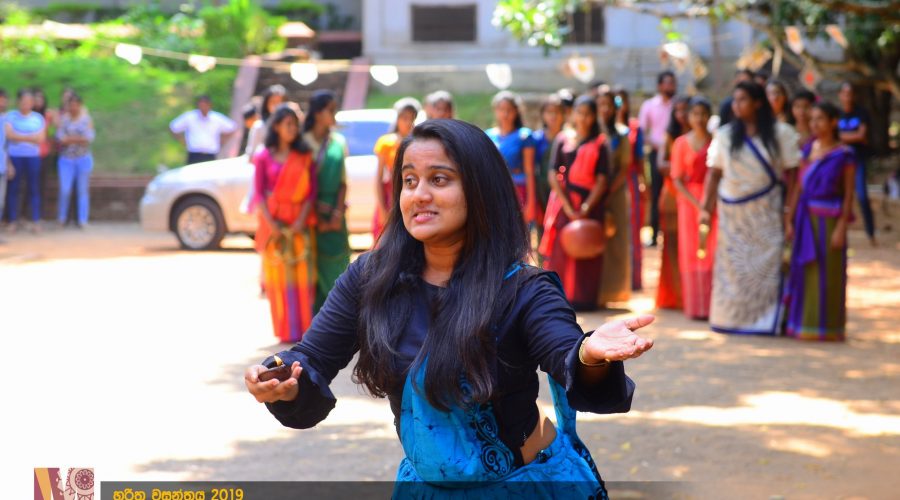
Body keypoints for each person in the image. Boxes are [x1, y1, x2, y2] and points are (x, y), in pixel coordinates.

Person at [244, 119, 655, 497]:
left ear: (479, 191)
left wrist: (589, 354)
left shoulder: (523, 289)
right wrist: (283, 378)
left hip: (524, 485)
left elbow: (565, 353)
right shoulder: (371, 278)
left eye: (439, 179)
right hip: (425, 488)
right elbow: (311, 357)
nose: (419, 194)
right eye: (409, 180)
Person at [701, 81, 800, 335]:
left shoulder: (781, 133)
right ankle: (730, 318)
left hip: (766, 212)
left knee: (764, 268)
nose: (736, 105)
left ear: (757, 103)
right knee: (732, 268)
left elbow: (793, 176)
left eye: (743, 99)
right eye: (735, 100)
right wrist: (705, 208)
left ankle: (764, 320)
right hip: (732, 213)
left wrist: (788, 212)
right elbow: (714, 173)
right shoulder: (725, 135)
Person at [783, 102, 855, 341]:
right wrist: (789, 219)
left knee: (829, 276)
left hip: (830, 222)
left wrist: (842, 227)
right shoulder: (808, 150)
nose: (814, 124)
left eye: (820, 119)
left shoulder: (844, 155)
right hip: (806, 220)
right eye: (812, 119)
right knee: (805, 272)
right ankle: (803, 324)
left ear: (833, 122)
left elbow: (848, 194)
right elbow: (798, 187)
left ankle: (829, 328)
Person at [251, 105, 317, 343]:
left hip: (300, 224)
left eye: (295, 124)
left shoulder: (304, 155)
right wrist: (272, 225)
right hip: (274, 226)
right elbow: (259, 193)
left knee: (302, 279)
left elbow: (311, 193)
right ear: (276, 126)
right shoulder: (263, 156)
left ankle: (305, 330)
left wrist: (300, 220)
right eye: (288, 124)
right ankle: (285, 331)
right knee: (278, 281)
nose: (292, 129)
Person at [539, 96, 610, 310]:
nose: (583, 118)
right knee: (561, 249)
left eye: (588, 114)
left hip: (591, 204)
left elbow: (602, 180)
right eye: (580, 113)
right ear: (573, 114)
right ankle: (559, 298)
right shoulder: (563, 139)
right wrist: (569, 207)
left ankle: (584, 299)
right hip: (565, 202)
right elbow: (553, 173)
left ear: (594, 117)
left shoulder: (600, 143)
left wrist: (586, 208)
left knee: (587, 248)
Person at [303, 90, 351, 312]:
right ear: (317, 112)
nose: (334, 114)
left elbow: (343, 182)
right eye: (330, 110)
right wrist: (316, 216)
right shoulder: (302, 143)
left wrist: (336, 215)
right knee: (313, 271)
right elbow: (299, 186)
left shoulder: (338, 142)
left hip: (335, 214)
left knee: (339, 266)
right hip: (308, 216)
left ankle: (340, 317)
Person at [670, 97, 716, 320]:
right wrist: (699, 206)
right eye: (695, 114)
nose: (699, 118)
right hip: (688, 203)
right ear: (688, 117)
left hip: (712, 200)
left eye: (703, 114)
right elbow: (677, 179)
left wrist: (707, 204)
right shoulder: (680, 143)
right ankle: (695, 306)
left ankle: (711, 306)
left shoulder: (716, 142)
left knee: (711, 251)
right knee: (691, 251)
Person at [597, 90, 632, 306]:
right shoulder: (592, 133)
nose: (605, 109)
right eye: (601, 104)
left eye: (608, 105)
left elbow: (624, 168)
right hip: (594, 193)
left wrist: (609, 190)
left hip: (615, 194)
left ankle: (614, 291)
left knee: (616, 242)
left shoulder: (622, 134)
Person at [655, 96, 690, 310]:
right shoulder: (669, 136)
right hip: (671, 195)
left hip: (693, 197)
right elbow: (661, 164)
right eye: (677, 111)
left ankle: (691, 294)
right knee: (672, 246)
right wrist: (683, 168)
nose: (681, 115)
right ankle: (676, 294)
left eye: (685, 110)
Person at [486, 91, 539, 225]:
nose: (505, 114)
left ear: (516, 111)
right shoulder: (489, 135)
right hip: (495, 191)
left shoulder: (524, 136)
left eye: (509, 110)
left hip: (518, 191)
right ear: (495, 111)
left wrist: (531, 203)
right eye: (501, 109)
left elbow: (529, 170)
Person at [373, 97, 421, 240]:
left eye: (411, 118)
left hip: (411, 194)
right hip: (391, 196)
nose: (408, 122)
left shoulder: (418, 142)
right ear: (398, 119)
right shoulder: (386, 143)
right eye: (404, 118)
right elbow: (378, 178)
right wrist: (382, 208)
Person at [638, 70, 676, 247]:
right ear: (660, 86)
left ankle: (672, 234)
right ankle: (654, 234)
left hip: (675, 154)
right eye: (667, 83)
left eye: (673, 83)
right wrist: (658, 144)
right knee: (655, 193)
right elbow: (642, 132)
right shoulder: (649, 105)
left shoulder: (677, 105)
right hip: (655, 154)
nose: (671, 86)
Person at [837, 82, 877, 246]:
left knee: (862, 196)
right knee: (839, 196)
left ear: (854, 96)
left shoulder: (861, 113)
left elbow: (861, 136)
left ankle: (871, 233)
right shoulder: (837, 114)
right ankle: (839, 231)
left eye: (850, 93)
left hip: (858, 160)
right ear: (840, 95)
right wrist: (853, 137)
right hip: (840, 161)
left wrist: (842, 137)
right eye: (845, 93)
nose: (847, 97)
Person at [615, 87, 646, 291]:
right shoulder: (605, 128)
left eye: (622, 101)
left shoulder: (634, 127)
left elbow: (640, 159)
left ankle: (634, 279)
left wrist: (644, 183)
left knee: (633, 227)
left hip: (630, 181)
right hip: (611, 183)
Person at [4, 89, 46, 233]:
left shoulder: (38, 118)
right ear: (18, 102)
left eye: (29, 101)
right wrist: (30, 137)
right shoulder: (10, 116)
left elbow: (40, 139)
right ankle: (12, 220)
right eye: (23, 101)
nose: (26, 104)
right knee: (13, 189)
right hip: (15, 157)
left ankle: (35, 220)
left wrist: (19, 136)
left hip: (33, 157)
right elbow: (9, 136)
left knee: (34, 188)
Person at [532, 92, 567, 246]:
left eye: (557, 112)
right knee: (543, 225)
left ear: (564, 115)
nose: (553, 116)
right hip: (542, 187)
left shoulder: (569, 138)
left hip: (563, 189)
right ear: (543, 115)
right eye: (549, 112)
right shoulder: (537, 139)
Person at [55, 93, 95, 228]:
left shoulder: (86, 119)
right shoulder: (64, 120)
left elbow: (89, 138)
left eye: (76, 105)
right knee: (65, 189)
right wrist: (78, 138)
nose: (73, 108)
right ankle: (62, 218)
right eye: (71, 105)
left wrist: (70, 139)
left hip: (83, 159)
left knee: (82, 190)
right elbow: (61, 138)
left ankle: (83, 220)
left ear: (80, 105)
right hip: (66, 159)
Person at [169, 95, 238, 164]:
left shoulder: (216, 118)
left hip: (210, 154)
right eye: (201, 105)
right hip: (194, 154)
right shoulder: (190, 117)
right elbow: (173, 127)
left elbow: (232, 128)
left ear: (209, 105)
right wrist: (183, 141)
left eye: (205, 105)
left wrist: (222, 141)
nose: (203, 108)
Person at [245, 84, 286, 156]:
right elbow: (251, 153)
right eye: (273, 102)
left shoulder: (289, 126)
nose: (276, 106)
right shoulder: (259, 126)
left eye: (280, 102)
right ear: (266, 103)